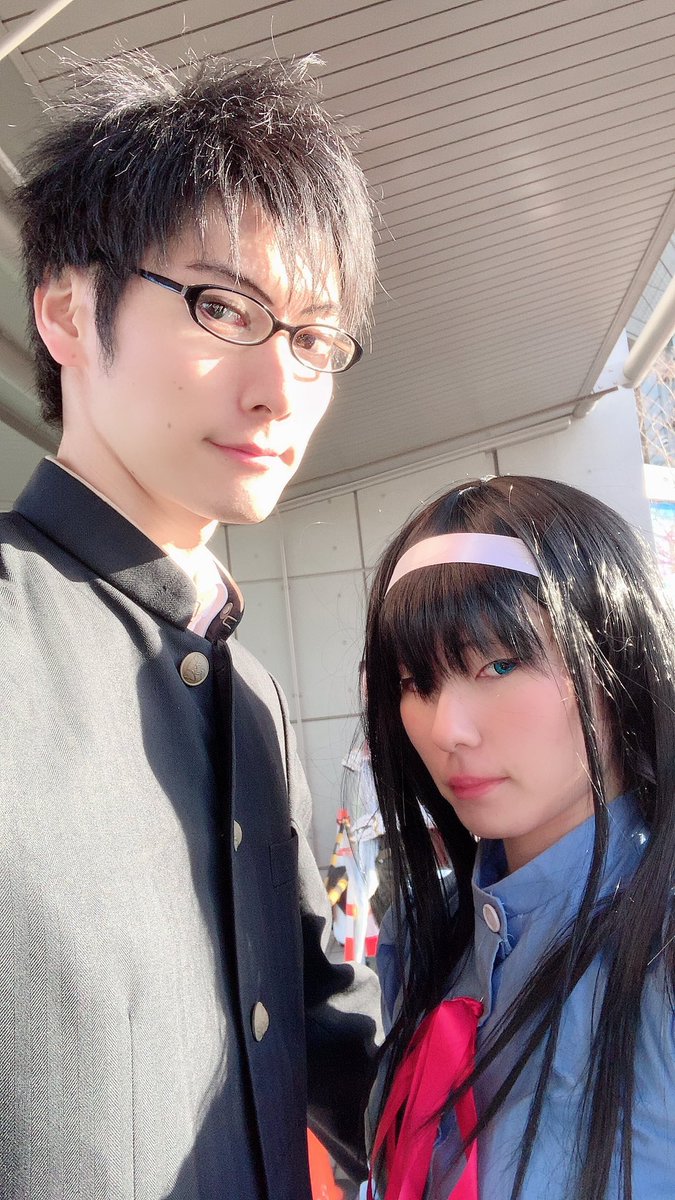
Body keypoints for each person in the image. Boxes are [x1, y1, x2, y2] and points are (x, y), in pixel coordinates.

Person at [1, 51, 381, 1200]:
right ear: (67, 310)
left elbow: (319, 1023)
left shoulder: (250, 696)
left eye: (313, 338)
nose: (280, 387)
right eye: (224, 307)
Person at [362, 475, 675, 1200]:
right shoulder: (425, 934)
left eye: (498, 664)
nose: (446, 729)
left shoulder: (660, 946)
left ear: (615, 657)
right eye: (415, 683)